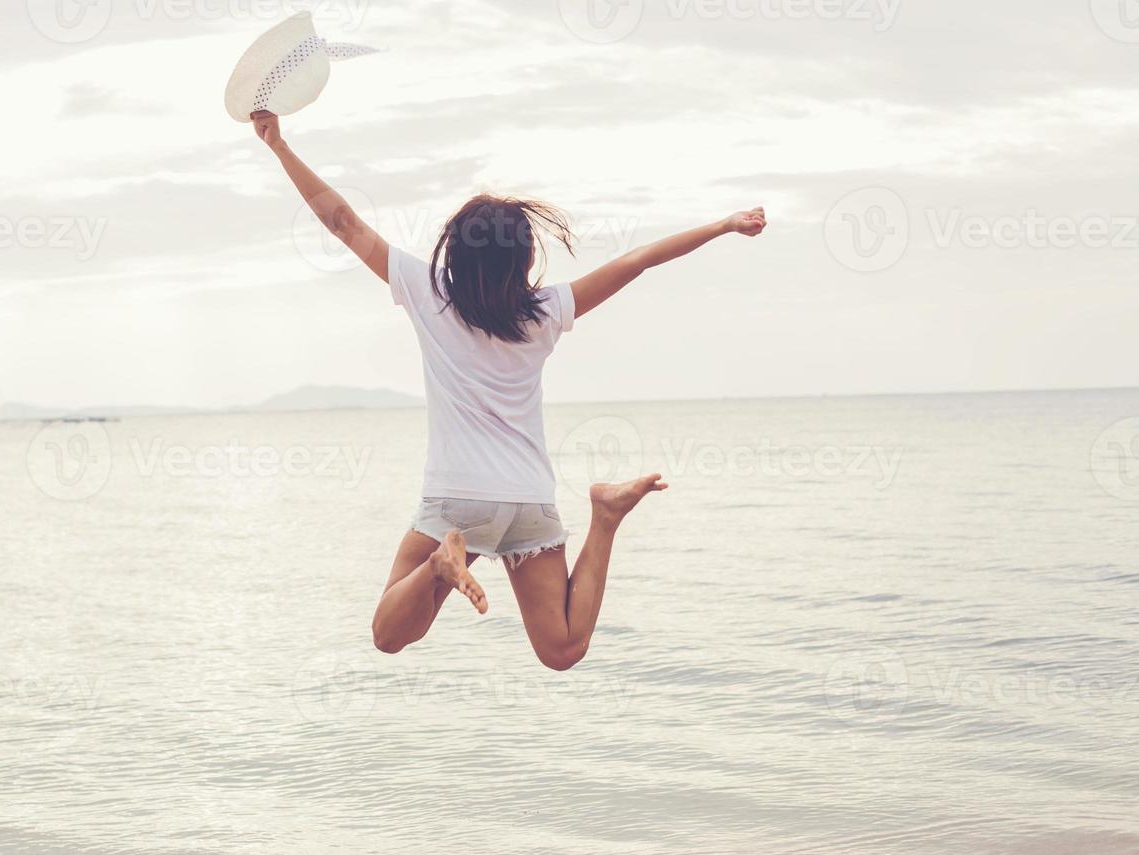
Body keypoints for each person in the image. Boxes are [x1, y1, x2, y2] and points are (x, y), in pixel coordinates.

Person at [251, 110, 767, 670]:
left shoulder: (430, 294)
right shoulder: (544, 312)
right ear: (522, 259)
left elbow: (343, 223)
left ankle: (438, 565)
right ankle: (606, 516)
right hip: (527, 497)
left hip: (458, 498)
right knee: (563, 648)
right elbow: (637, 261)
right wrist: (723, 225)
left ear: (456, 251)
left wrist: (279, 145)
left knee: (389, 633)